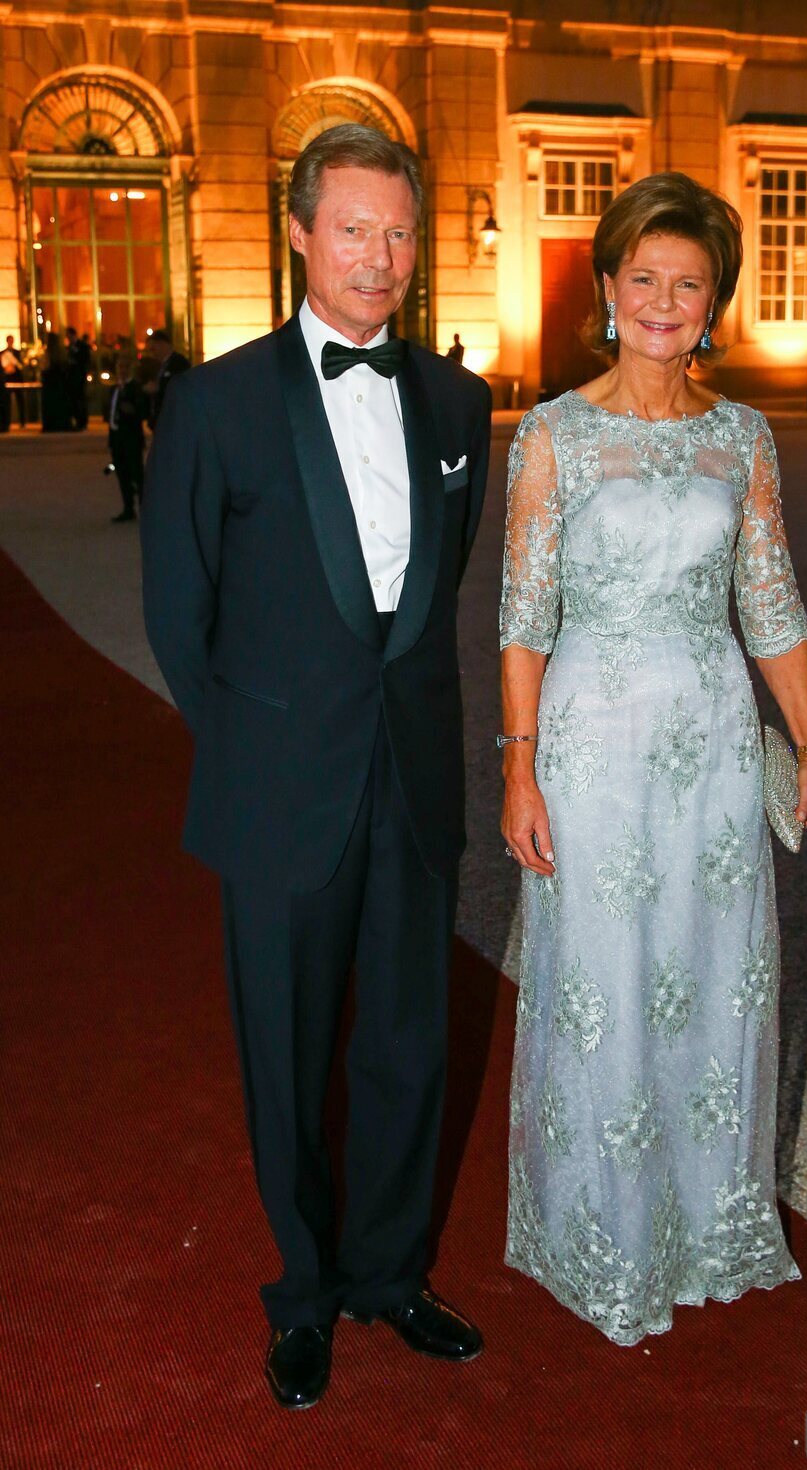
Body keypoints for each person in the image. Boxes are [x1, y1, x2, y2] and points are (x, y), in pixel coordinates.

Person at [141, 123, 492, 1410]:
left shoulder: (459, 405)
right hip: (278, 789)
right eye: (353, 228)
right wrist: (258, 752)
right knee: (285, 1055)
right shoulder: (217, 401)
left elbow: (426, 603)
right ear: (298, 233)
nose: (380, 257)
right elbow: (181, 613)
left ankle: (389, 1274)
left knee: (407, 1042)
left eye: (399, 231)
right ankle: (303, 1292)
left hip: (410, 782)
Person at [499, 171, 807, 1345]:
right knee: (604, 982)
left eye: (686, 283)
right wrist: (518, 766)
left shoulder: (741, 438)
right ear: (605, 287)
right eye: (642, 277)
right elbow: (524, 615)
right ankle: (600, 1233)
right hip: (594, 744)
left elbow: (768, 594)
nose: (661, 300)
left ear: (711, 305)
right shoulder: (552, 435)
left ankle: (702, 1221)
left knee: (708, 974)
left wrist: (806, 729)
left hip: (707, 747)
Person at [106, 353, 148, 523]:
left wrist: (132, 410)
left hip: (132, 438)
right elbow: (110, 414)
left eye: (125, 367)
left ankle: (145, 509)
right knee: (122, 474)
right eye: (119, 367)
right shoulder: (114, 389)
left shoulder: (136, 388)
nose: (122, 371)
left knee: (137, 475)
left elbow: (142, 411)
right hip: (117, 437)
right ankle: (128, 508)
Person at [145, 328, 189, 430]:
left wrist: (158, 387)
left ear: (163, 345)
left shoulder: (178, 363)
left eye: (153, 349)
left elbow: (180, 387)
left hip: (172, 420)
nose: (153, 354)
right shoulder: (163, 365)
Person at [40, 332, 71, 432]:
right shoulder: (61, 353)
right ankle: (60, 423)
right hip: (59, 384)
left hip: (50, 384)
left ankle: (50, 424)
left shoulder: (48, 354)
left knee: (50, 405)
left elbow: (45, 367)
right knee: (59, 404)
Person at [65, 325, 90, 429]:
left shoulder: (82, 346)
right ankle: (77, 420)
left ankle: (82, 421)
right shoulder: (68, 347)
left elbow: (86, 360)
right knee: (74, 400)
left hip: (79, 376)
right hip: (71, 377)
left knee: (81, 399)